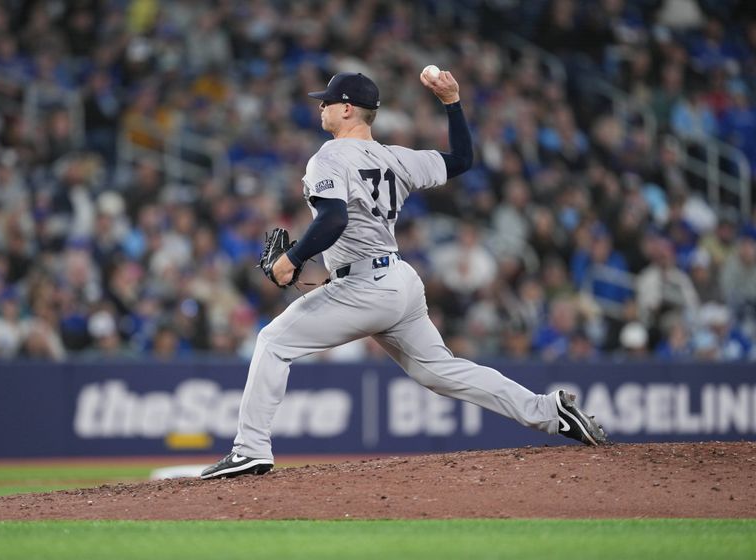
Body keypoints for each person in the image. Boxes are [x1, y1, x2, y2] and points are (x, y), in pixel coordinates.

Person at [201, 70, 608, 480]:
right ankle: (548, 412)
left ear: (347, 108)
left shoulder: (328, 155)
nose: (320, 106)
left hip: (365, 286)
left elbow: (334, 218)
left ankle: (250, 449)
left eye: (327, 100)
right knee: (439, 371)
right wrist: (453, 102)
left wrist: (291, 258)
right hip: (398, 280)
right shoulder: (397, 157)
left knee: (272, 342)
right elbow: (463, 159)